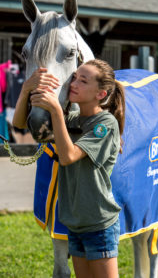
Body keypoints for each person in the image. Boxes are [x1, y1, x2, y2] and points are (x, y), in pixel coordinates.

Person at [13, 59, 125, 278]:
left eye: (83, 81)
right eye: (74, 77)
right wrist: (26, 89)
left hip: (98, 223)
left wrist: (55, 110)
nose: (73, 83)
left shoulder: (105, 123)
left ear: (100, 94)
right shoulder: (72, 119)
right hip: (75, 223)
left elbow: (68, 157)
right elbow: (20, 123)